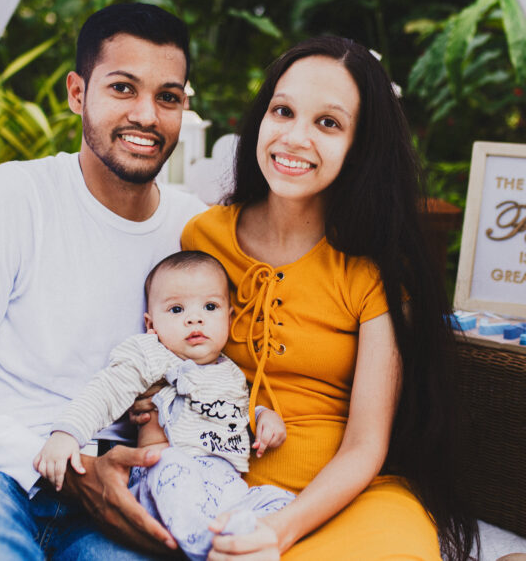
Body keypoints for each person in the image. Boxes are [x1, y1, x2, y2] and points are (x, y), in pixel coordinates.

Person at [0, 3, 207, 560]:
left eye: (168, 97)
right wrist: (62, 465)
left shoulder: (192, 228)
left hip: (124, 489)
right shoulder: (18, 197)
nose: (148, 116)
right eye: (124, 88)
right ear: (77, 93)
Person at [181, 36, 479, 559]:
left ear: (361, 146)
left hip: (345, 499)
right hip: (213, 489)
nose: (295, 138)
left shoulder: (376, 268)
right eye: (283, 111)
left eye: (328, 123)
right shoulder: (201, 238)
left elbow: (366, 446)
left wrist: (279, 531)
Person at [35, 250, 295, 561]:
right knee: (171, 464)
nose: (194, 318)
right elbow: (107, 391)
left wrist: (264, 418)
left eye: (210, 307)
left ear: (229, 317)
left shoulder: (230, 371)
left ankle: (233, 536)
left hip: (224, 483)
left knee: (282, 502)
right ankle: (207, 549)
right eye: (176, 309)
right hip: (162, 476)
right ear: (151, 323)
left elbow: (237, 409)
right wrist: (67, 434)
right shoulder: (152, 355)